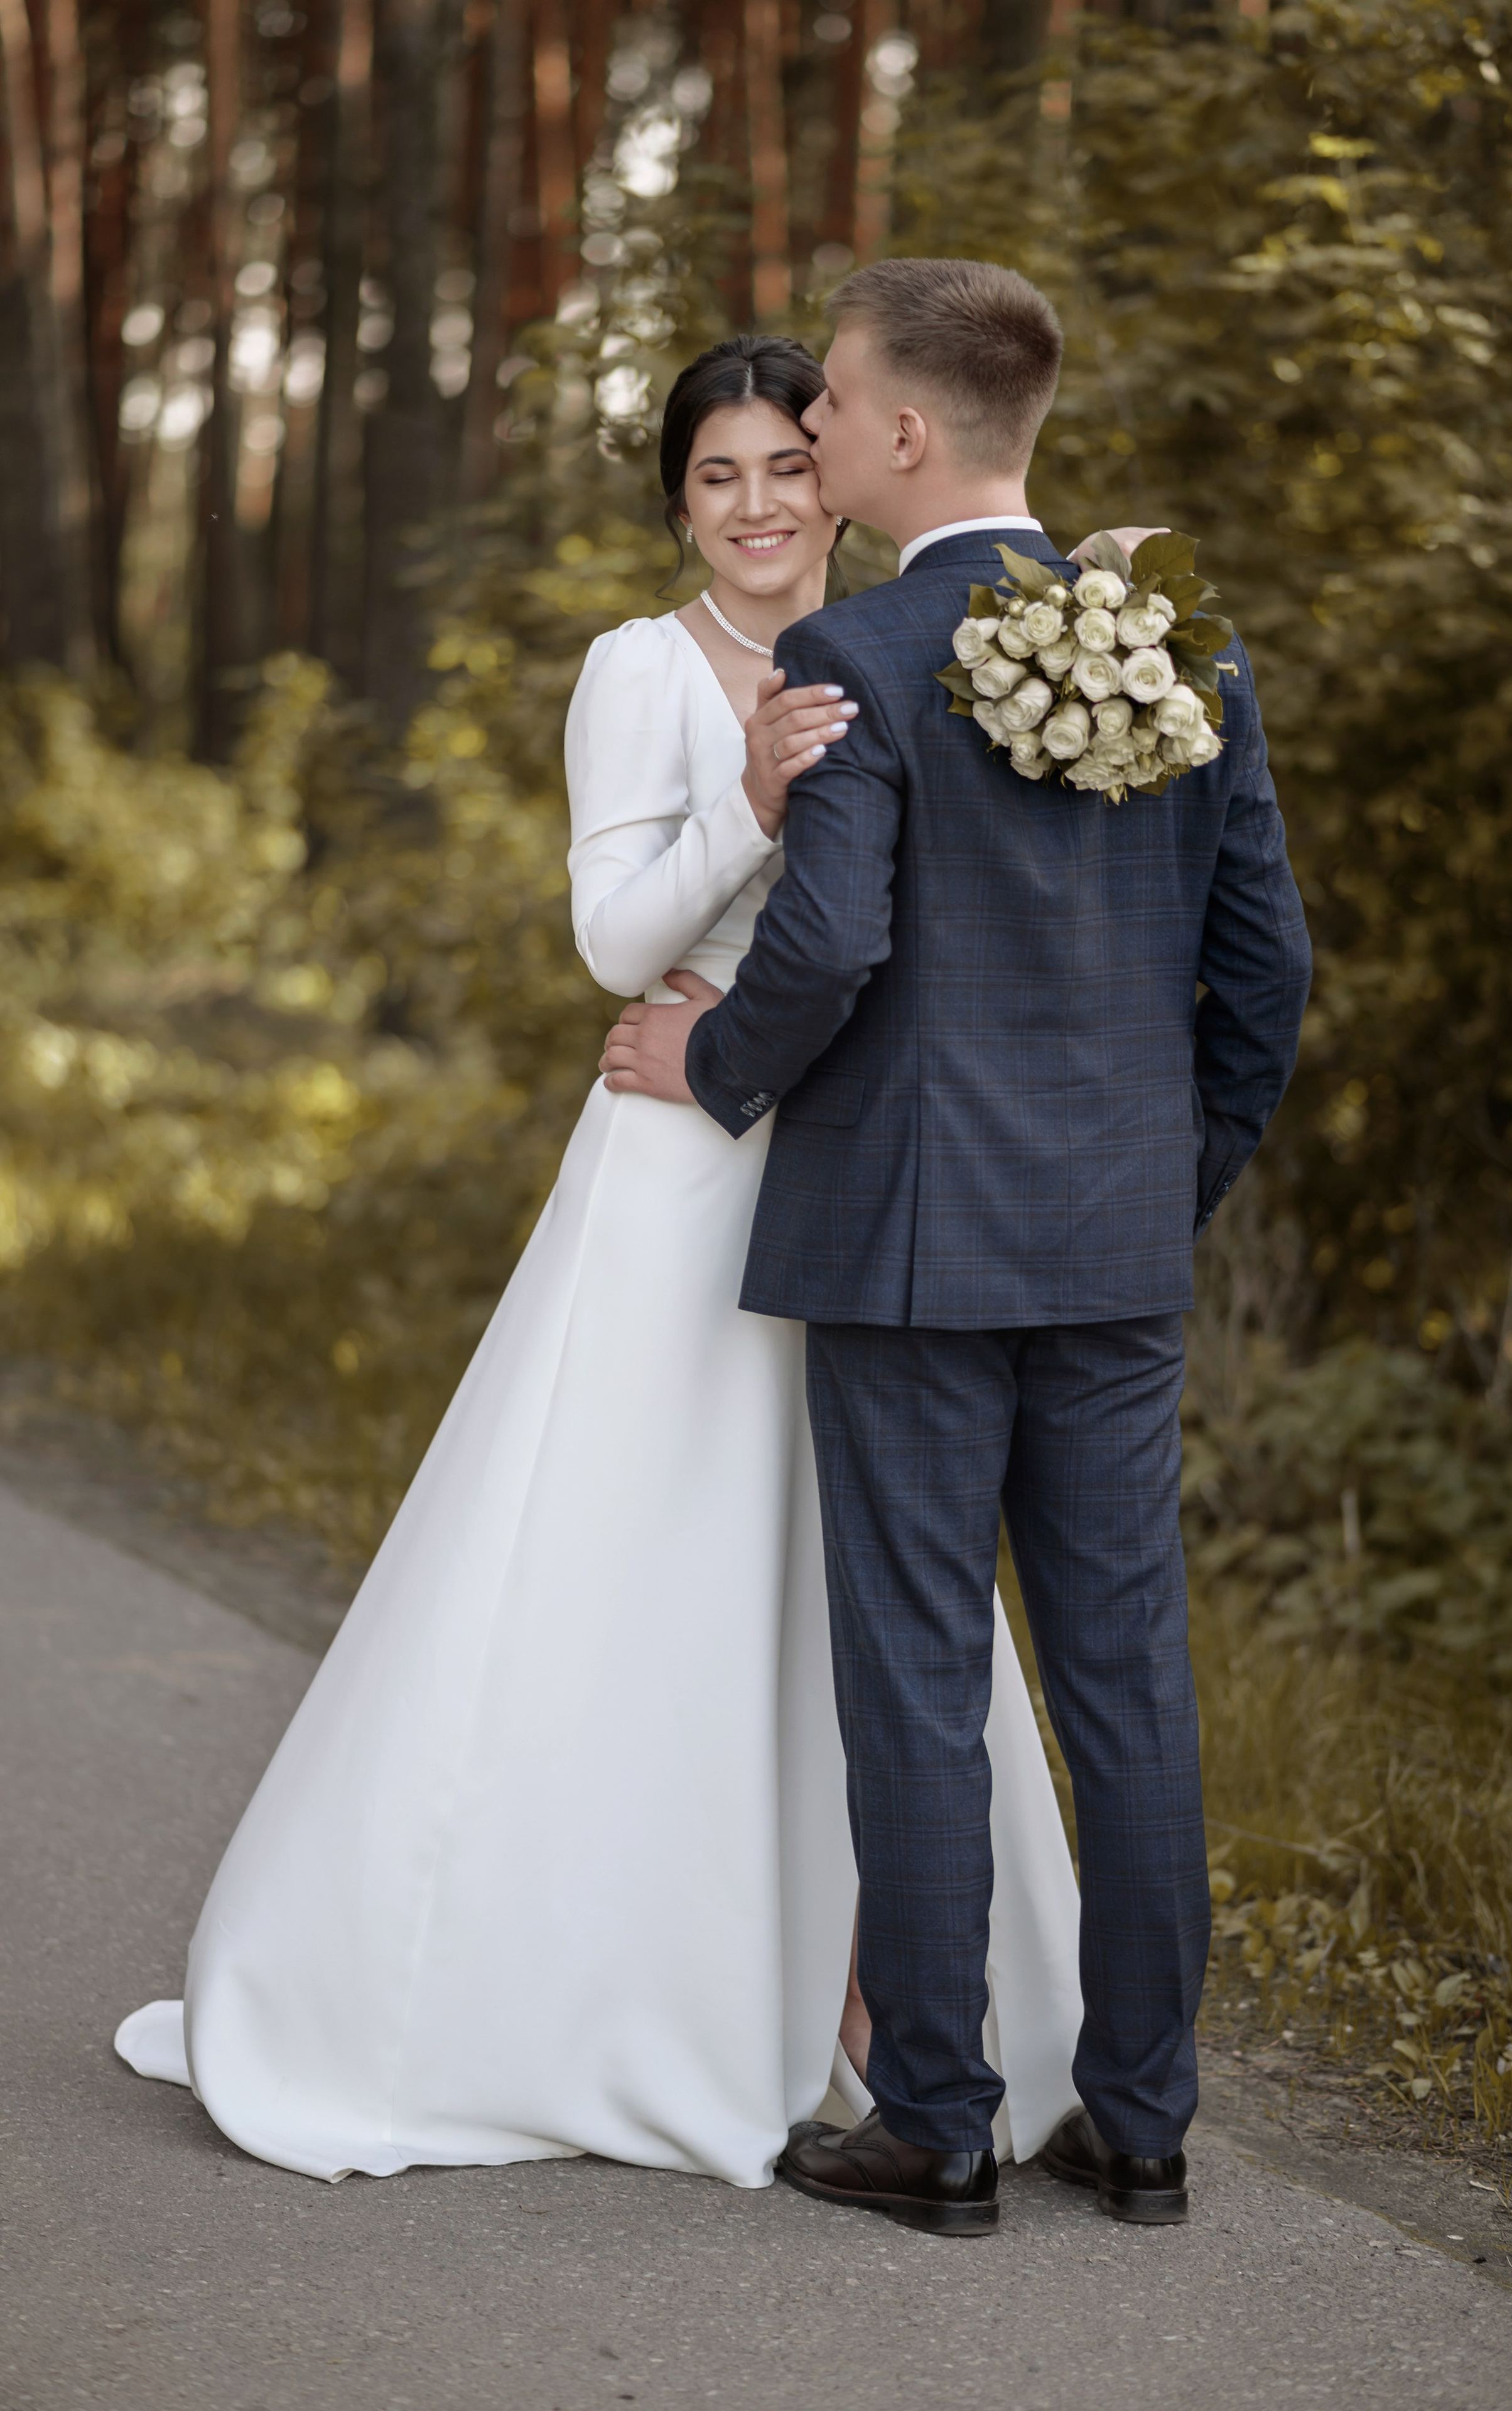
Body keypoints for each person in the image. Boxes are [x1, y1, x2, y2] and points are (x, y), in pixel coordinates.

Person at [112, 333, 1085, 2192]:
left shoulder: (907, 644)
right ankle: (626, 1988)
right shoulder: (641, 670)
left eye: (785, 469)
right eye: (715, 478)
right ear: (677, 504)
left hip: (870, 1162)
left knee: (865, 1582)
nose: (757, 507)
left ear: (837, 473)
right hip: (676, 1169)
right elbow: (605, 935)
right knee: (655, 1565)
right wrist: (748, 793)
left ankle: (897, 2005)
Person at [600, 261, 1314, 2233]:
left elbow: (827, 945)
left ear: (908, 434)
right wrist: (1170, 1178)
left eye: (828, 404)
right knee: (1127, 1684)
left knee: (916, 1675)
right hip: (1112, 1247)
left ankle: (933, 2122)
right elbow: (1270, 970)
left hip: (910, 1245)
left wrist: (708, 1061)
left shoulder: (862, 645)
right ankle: (1146, 2124)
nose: (810, 437)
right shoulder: (1182, 650)